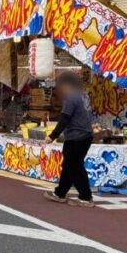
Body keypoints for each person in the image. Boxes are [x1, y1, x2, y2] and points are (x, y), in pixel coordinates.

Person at [44, 71, 95, 207]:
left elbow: (64, 118)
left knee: (75, 167)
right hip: (86, 135)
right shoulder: (83, 95)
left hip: (76, 136)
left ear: (67, 84)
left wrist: (52, 135)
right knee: (69, 165)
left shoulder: (70, 97)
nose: (60, 89)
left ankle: (86, 197)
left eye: (61, 85)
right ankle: (60, 193)